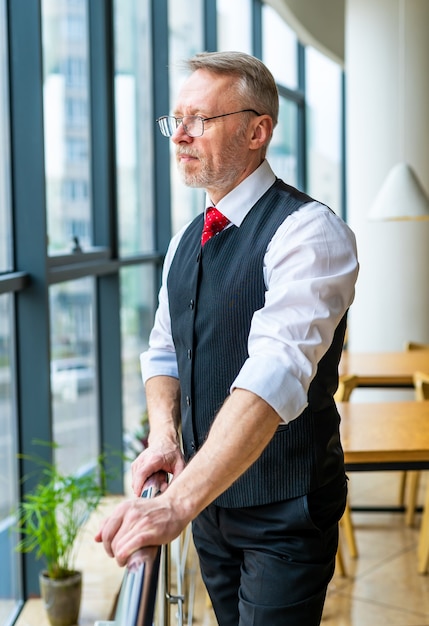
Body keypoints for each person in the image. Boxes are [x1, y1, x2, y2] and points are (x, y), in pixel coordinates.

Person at [95, 51, 359, 625]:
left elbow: (273, 377)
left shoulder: (309, 232)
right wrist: (165, 438)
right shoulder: (184, 240)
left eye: (201, 120)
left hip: (285, 510)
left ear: (258, 130)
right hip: (211, 504)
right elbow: (164, 351)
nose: (181, 134)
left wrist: (175, 504)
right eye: (176, 120)